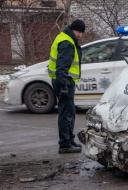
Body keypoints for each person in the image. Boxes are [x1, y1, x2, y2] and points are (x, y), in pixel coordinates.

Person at [48, 19, 85, 154]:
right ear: (74, 29)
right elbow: (62, 67)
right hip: (64, 82)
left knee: (70, 112)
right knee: (66, 113)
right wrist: (64, 85)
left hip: (64, 81)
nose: (80, 35)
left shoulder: (63, 37)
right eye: (79, 32)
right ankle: (64, 144)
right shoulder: (67, 43)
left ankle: (69, 140)